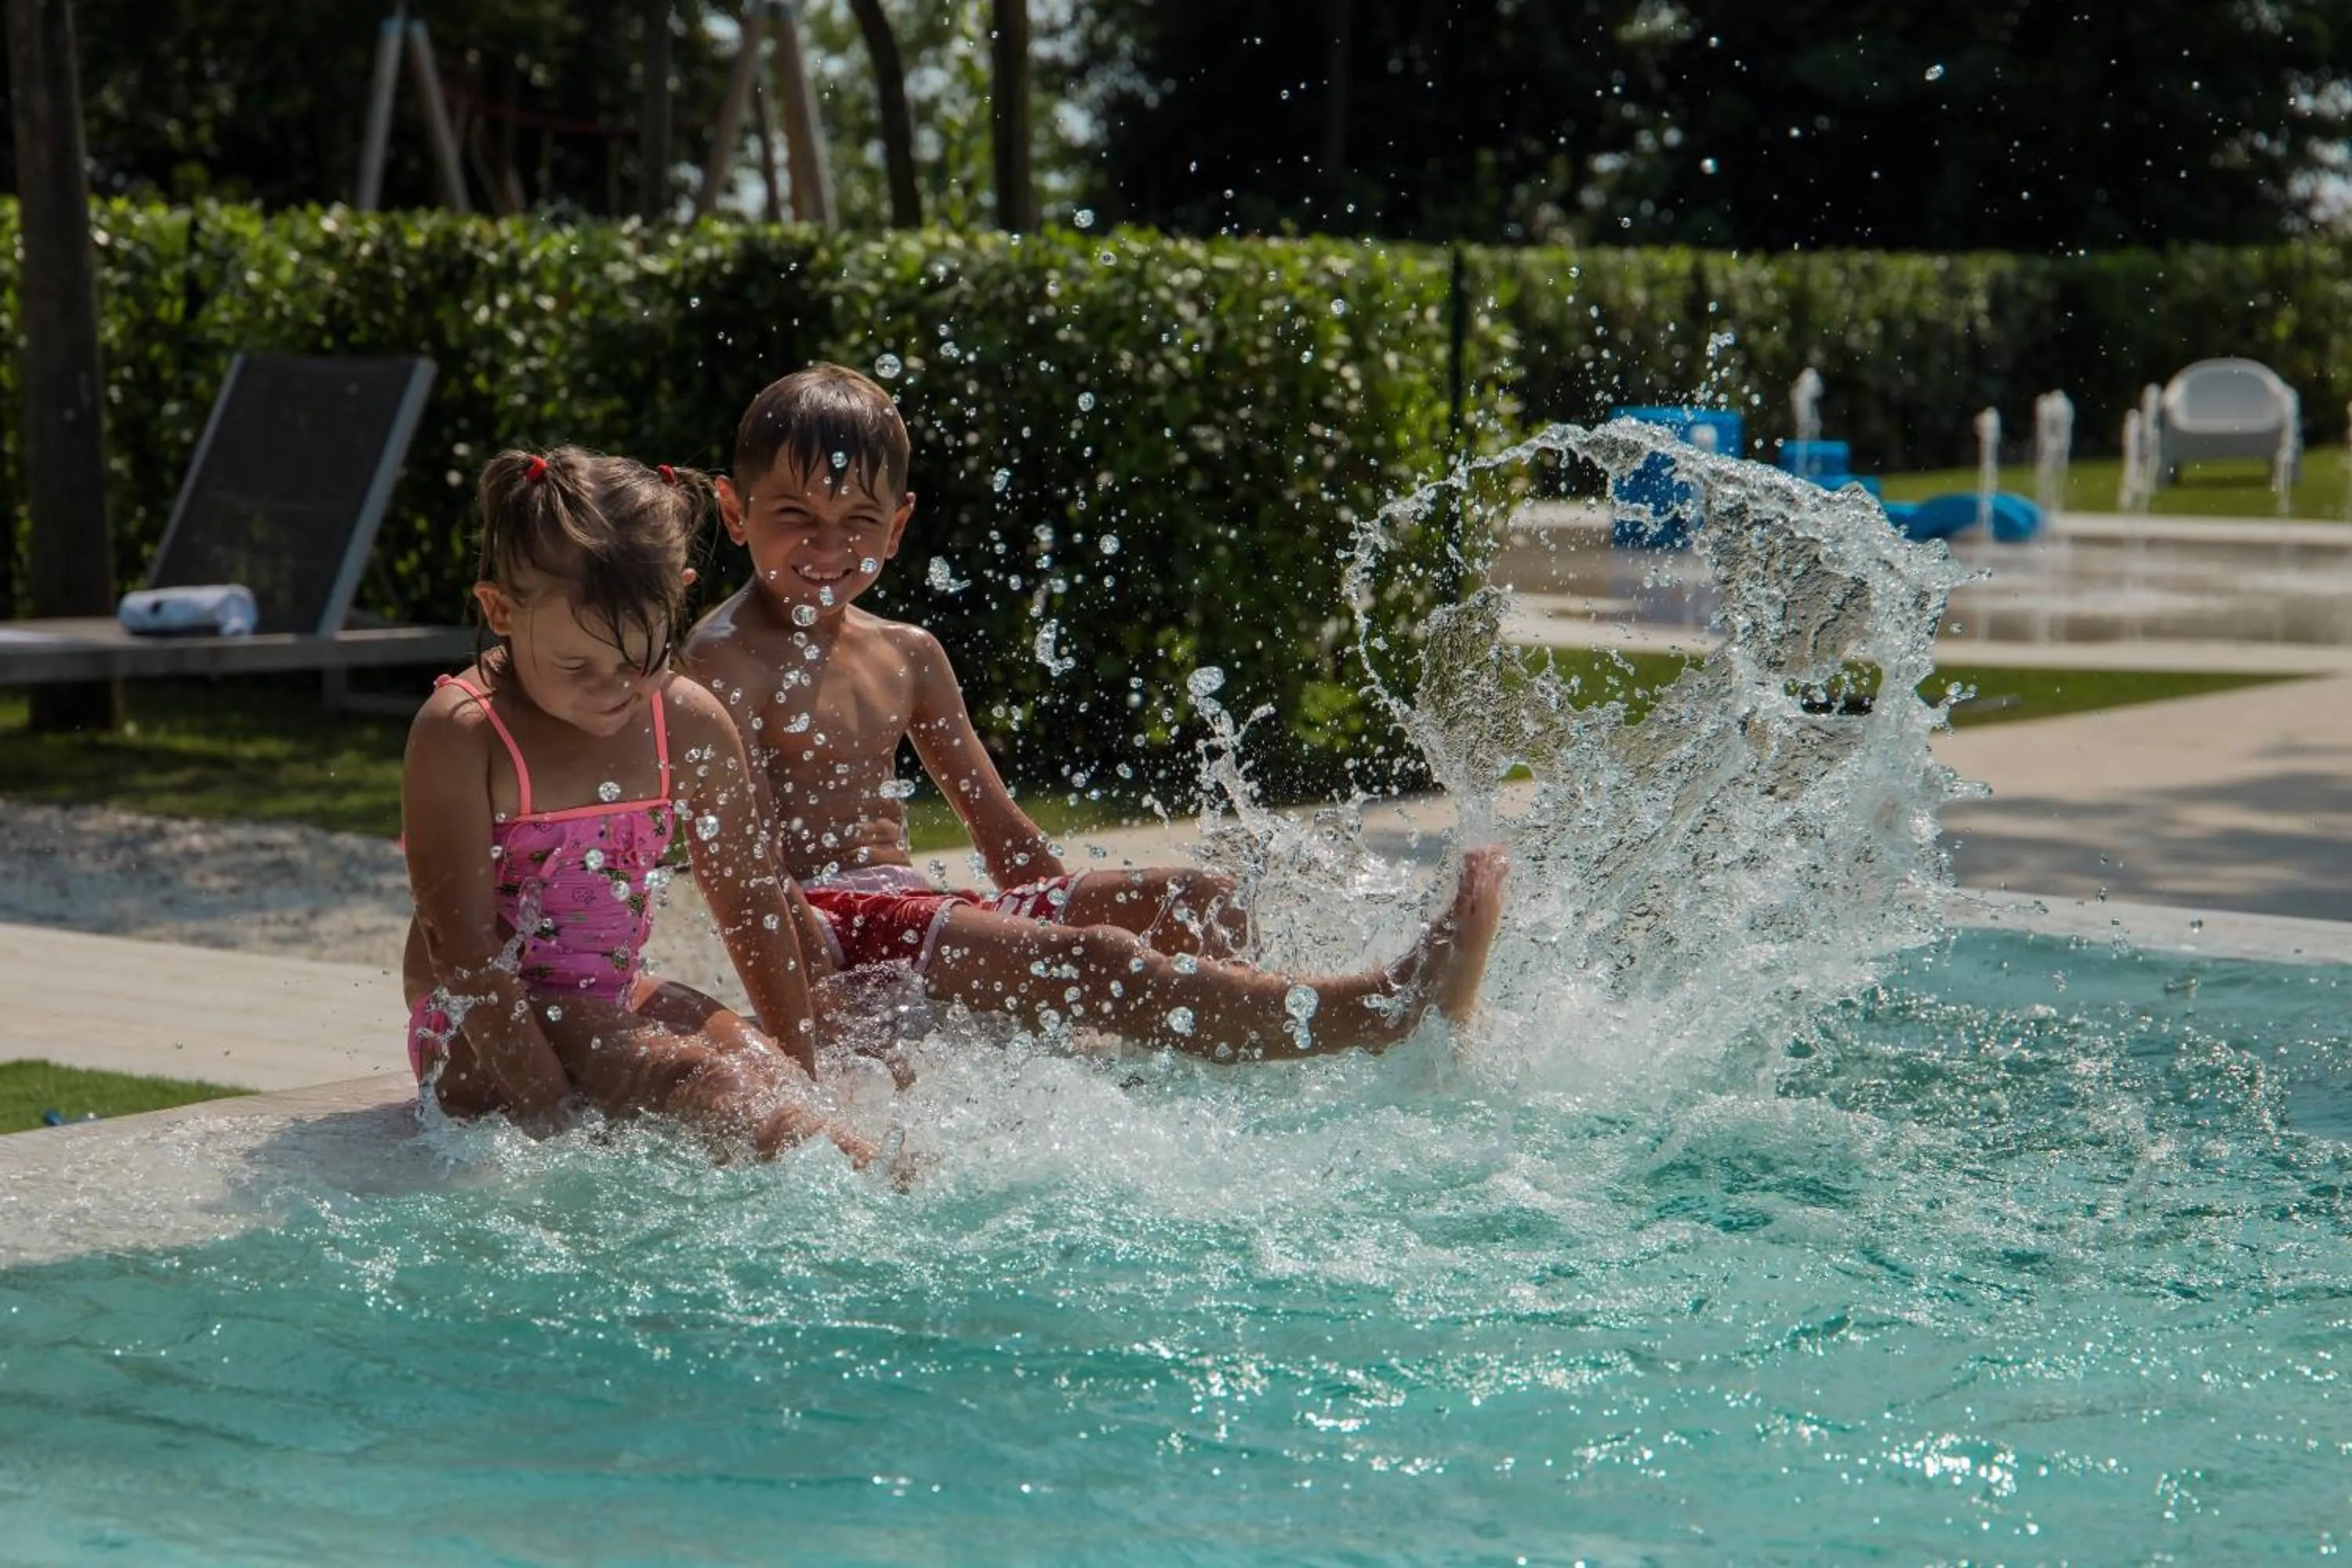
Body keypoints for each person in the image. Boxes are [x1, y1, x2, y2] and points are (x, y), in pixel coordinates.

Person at [682, 365, 1508, 1060]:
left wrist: (1049, 918)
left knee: (1201, 899)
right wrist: (808, 1031)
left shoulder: (907, 652)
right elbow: (744, 875)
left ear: (897, 527)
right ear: (733, 511)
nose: (827, 546)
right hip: (831, 932)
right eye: (795, 515)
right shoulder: (722, 660)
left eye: (857, 520)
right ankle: (1375, 1012)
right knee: (1101, 958)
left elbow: (1002, 831)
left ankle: (1222, 1066)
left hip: (913, 916)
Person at [401, 445, 867, 1161]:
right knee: (699, 1077)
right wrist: (555, 1123)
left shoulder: (685, 719)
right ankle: (833, 1172)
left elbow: (747, 897)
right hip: (473, 1031)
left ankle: (856, 1170)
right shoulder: (465, 731)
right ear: (499, 609)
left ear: (677, 598)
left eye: (639, 659)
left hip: (607, 1001)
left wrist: (805, 1068)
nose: (612, 687)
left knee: (760, 1067)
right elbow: (461, 947)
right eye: (576, 664)